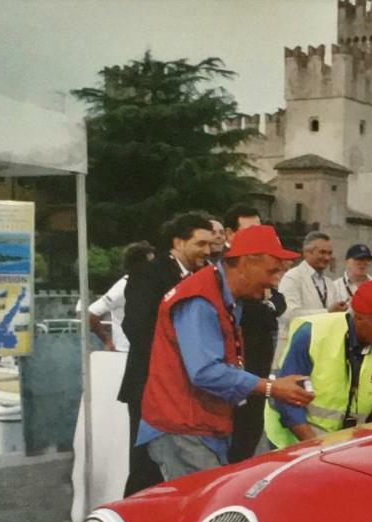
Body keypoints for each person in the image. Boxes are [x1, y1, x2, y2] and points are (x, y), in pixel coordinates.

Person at [136, 225, 313, 483]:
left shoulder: (223, 294)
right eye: (272, 271)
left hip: (203, 424)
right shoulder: (200, 299)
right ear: (244, 263)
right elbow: (205, 372)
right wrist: (271, 388)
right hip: (182, 427)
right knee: (207, 509)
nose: (275, 281)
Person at [119, 212, 216, 495]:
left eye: (210, 245)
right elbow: (135, 326)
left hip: (187, 387)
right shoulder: (149, 272)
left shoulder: (207, 275)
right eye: (200, 244)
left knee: (181, 466)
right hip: (150, 382)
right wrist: (173, 357)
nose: (207, 251)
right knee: (146, 466)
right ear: (178, 241)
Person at [263, 279, 372, 449]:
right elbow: (288, 400)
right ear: (360, 318)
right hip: (295, 441)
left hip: (343, 445)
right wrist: (315, 447)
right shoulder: (313, 335)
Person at [223, 205, 288, 463]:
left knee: (246, 444)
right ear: (229, 233)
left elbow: (279, 302)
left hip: (256, 373)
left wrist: (268, 305)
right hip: (234, 379)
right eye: (250, 231)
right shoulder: (218, 281)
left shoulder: (262, 273)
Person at [279, 232, 346, 351]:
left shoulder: (329, 283)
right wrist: (327, 312)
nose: (327, 258)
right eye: (322, 252)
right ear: (307, 252)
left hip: (321, 348)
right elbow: (288, 314)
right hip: (295, 348)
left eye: (329, 253)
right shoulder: (292, 277)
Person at [88, 241, 154, 352]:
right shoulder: (122, 288)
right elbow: (92, 314)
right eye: (151, 261)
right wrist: (107, 342)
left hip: (148, 350)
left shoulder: (151, 284)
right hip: (125, 351)